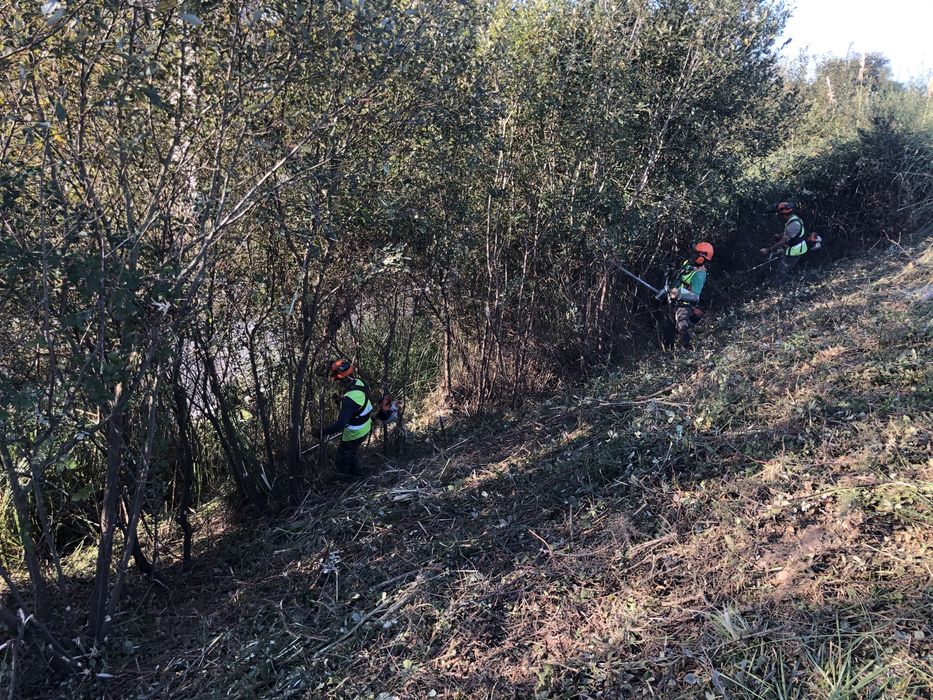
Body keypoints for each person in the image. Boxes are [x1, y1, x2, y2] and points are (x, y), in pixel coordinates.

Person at [321, 359, 373, 478]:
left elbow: (340, 425)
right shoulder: (359, 382)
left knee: (342, 456)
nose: (337, 383)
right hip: (366, 425)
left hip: (355, 433)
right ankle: (358, 474)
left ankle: (346, 480)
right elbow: (358, 404)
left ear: (343, 379)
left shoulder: (349, 399)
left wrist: (322, 432)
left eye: (337, 380)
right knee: (352, 453)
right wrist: (339, 402)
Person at [668, 242, 713, 349]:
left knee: (681, 325)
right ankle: (671, 346)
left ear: (701, 258)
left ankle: (688, 349)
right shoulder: (688, 263)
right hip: (673, 297)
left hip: (685, 304)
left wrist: (679, 294)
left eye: (696, 254)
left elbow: (695, 296)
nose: (692, 255)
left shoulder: (699, 274)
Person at [760, 201, 807, 282]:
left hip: (795, 251)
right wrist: (779, 235)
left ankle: (778, 287)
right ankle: (797, 279)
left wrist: (769, 250)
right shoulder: (794, 218)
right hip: (799, 248)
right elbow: (789, 232)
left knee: (781, 270)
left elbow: (782, 242)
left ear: (783, 214)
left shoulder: (793, 224)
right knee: (791, 267)